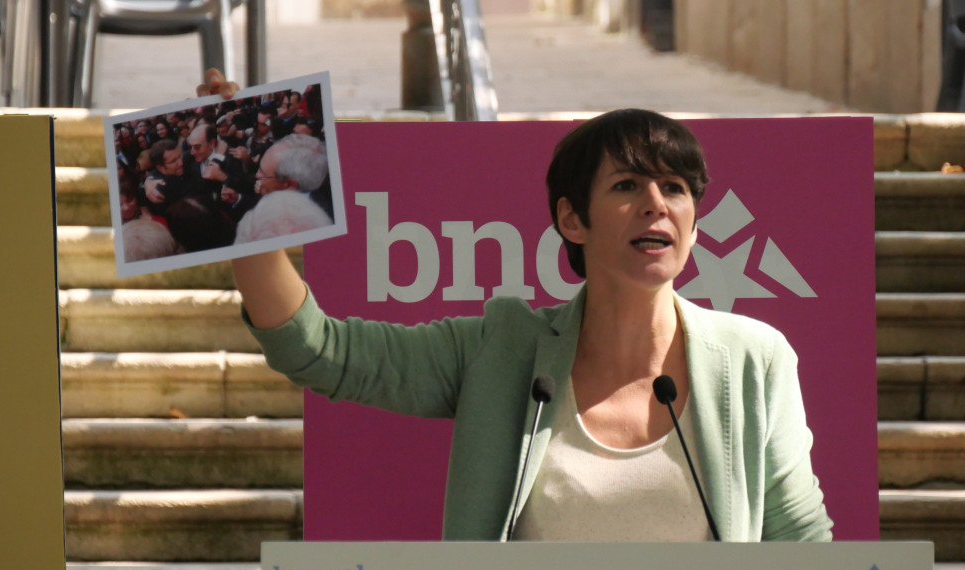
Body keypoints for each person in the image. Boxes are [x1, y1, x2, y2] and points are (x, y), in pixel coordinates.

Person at [199, 70, 832, 543]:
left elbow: (800, 546)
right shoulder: (499, 349)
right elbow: (318, 350)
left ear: (693, 225)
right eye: (626, 185)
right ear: (572, 220)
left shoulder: (755, 358)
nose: (656, 204)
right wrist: (249, 211)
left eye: (675, 188)